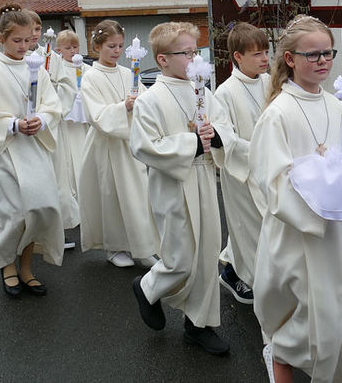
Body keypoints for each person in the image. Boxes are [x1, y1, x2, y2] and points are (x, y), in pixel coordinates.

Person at [250, 15, 342, 383]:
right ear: (290, 59)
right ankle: (281, 357)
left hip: (337, 234)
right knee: (317, 321)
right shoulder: (278, 114)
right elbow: (271, 182)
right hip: (300, 233)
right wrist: (320, 187)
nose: (323, 60)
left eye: (328, 53)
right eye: (313, 54)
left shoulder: (339, 104)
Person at [130, 21, 234, 356]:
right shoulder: (150, 99)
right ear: (162, 59)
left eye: (195, 51)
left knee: (206, 254)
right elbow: (145, 146)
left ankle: (198, 326)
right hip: (172, 184)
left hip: (203, 178)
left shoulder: (202, 89)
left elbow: (223, 125)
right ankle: (147, 287)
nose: (193, 59)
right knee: (180, 258)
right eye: (185, 53)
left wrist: (216, 136)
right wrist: (192, 142)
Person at [0, 5, 64, 298]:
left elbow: (52, 104)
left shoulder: (36, 67)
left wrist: (42, 119)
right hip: (7, 150)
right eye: (17, 41)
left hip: (34, 148)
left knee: (40, 209)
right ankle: (8, 266)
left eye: (28, 40)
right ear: (1, 39)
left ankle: (27, 266)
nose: (24, 47)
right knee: (13, 213)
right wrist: (12, 124)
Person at [78, 20, 158, 268]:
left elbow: (146, 100)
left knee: (137, 196)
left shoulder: (127, 73)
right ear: (97, 46)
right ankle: (115, 248)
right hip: (106, 146)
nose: (117, 51)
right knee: (111, 197)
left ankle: (142, 246)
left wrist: (140, 104)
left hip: (130, 144)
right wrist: (123, 107)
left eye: (121, 46)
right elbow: (96, 115)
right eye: (111, 46)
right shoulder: (91, 77)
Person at [212, 22, 270, 304]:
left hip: (270, 169)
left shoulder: (269, 82)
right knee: (248, 228)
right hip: (242, 172)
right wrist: (263, 150)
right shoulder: (225, 92)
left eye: (266, 52)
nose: (264, 59)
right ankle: (248, 279)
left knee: (265, 227)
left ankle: (233, 271)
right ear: (238, 56)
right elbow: (227, 139)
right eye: (257, 53)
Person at [49, 29, 85, 235]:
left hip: (81, 126)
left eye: (75, 47)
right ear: (58, 50)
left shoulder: (85, 68)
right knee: (69, 167)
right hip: (66, 125)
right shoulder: (59, 68)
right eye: (68, 48)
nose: (72, 51)